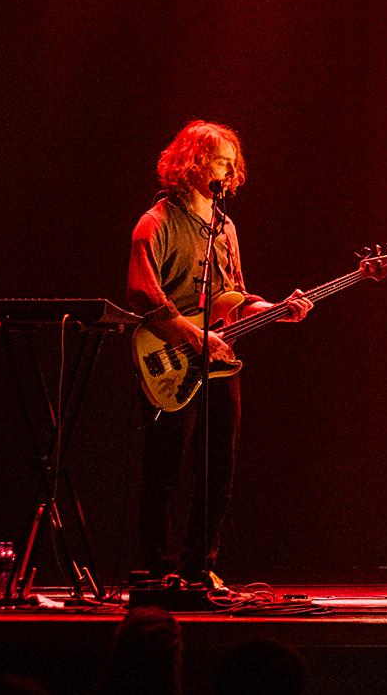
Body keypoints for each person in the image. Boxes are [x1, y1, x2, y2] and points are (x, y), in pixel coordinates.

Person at [128, 121, 311, 584]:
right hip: (171, 358)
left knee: (218, 474)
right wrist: (191, 333)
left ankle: (199, 567)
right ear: (193, 163)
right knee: (165, 470)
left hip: (219, 362)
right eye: (221, 161)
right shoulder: (157, 222)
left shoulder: (225, 226)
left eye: (233, 163)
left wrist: (276, 310)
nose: (230, 171)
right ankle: (159, 570)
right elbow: (142, 292)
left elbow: (235, 296)